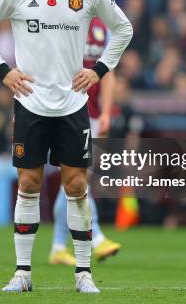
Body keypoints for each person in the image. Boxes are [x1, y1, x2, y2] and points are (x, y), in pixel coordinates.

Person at [0, 0, 133, 293]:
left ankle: (84, 274)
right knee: (28, 183)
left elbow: (123, 28)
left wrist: (100, 70)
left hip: (73, 105)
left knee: (76, 186)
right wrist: (3, 71)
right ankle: (23, 273)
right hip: (30, 102)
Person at [48, 16, 121, 266]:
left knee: (72, 181)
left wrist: (106, 111)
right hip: (67, 112)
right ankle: (97, 237)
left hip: (91, 116)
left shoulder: (103, 29)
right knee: (76, 178)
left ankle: (58, 247)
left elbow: (108, 73)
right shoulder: (64, 23)